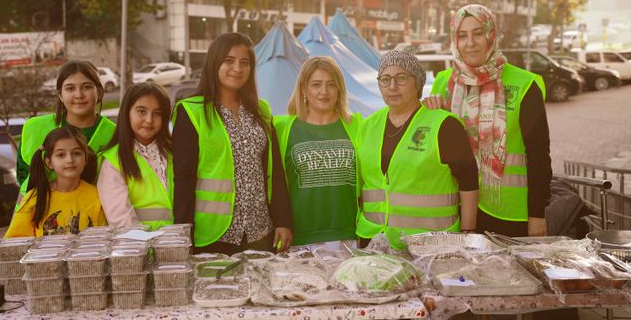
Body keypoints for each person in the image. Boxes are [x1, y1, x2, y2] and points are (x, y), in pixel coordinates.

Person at [425, 4, 551, 238]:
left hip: (509, 213)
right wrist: (433, 114)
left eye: (478, 33)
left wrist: (537, 215)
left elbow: (539, 156)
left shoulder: (524, 84)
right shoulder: (443, 84)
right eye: (462, 35)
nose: (470, 42)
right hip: (457, 207)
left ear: (491, 35)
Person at [172, 32, 293, 254]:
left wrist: (283, 221)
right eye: (229, 61)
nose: (237, 68)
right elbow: (183, 178)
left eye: (244, 62)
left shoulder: (262, 110)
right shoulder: (191, 111)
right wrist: (182, 235)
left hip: (260, 231)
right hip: (212, 234)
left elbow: (275, 171)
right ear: (214, 63)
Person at [356, 50, 479, 250]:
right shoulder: (367, 126)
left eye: (401, 78)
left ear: (418, 82)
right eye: (385, 79)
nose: (392, 86)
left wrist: (467, 232)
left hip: (432, 243)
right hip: (374, 241)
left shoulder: (444, 125)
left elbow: (469, 180)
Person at [273, 57, 361, 248]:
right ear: (304, 88)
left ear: (340, 89)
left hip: (347, 235)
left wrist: (435, 106)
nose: (324, 92)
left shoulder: (358, 126)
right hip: (298, 239)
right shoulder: (281, 128)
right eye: (316, 85)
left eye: (331, 85)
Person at [16, 60, 116, 205]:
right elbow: (22, 174)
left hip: (93, 216)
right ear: (60, 95)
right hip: (37, 213)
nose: (79, 95)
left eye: (87, 87)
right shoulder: (35, 127)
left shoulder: (115, 134)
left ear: (99, 92)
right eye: (70, 88)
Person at [97, 83, 173, 230]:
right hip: (140, 248)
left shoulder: (174, 153)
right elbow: (120, 219)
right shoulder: (113, 161)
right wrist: (149, 245)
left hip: (179, 244)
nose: (149, 120)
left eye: (157, 113)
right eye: (141, 111)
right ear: (127, 113)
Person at [5, 126, 106, 237]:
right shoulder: (34, 199)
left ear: (85, 159)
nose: (70, 160)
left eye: (76, 153)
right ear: (49, 163)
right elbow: (15, 243)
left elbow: (104, 240)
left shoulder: (97, 196)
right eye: (61, 155)